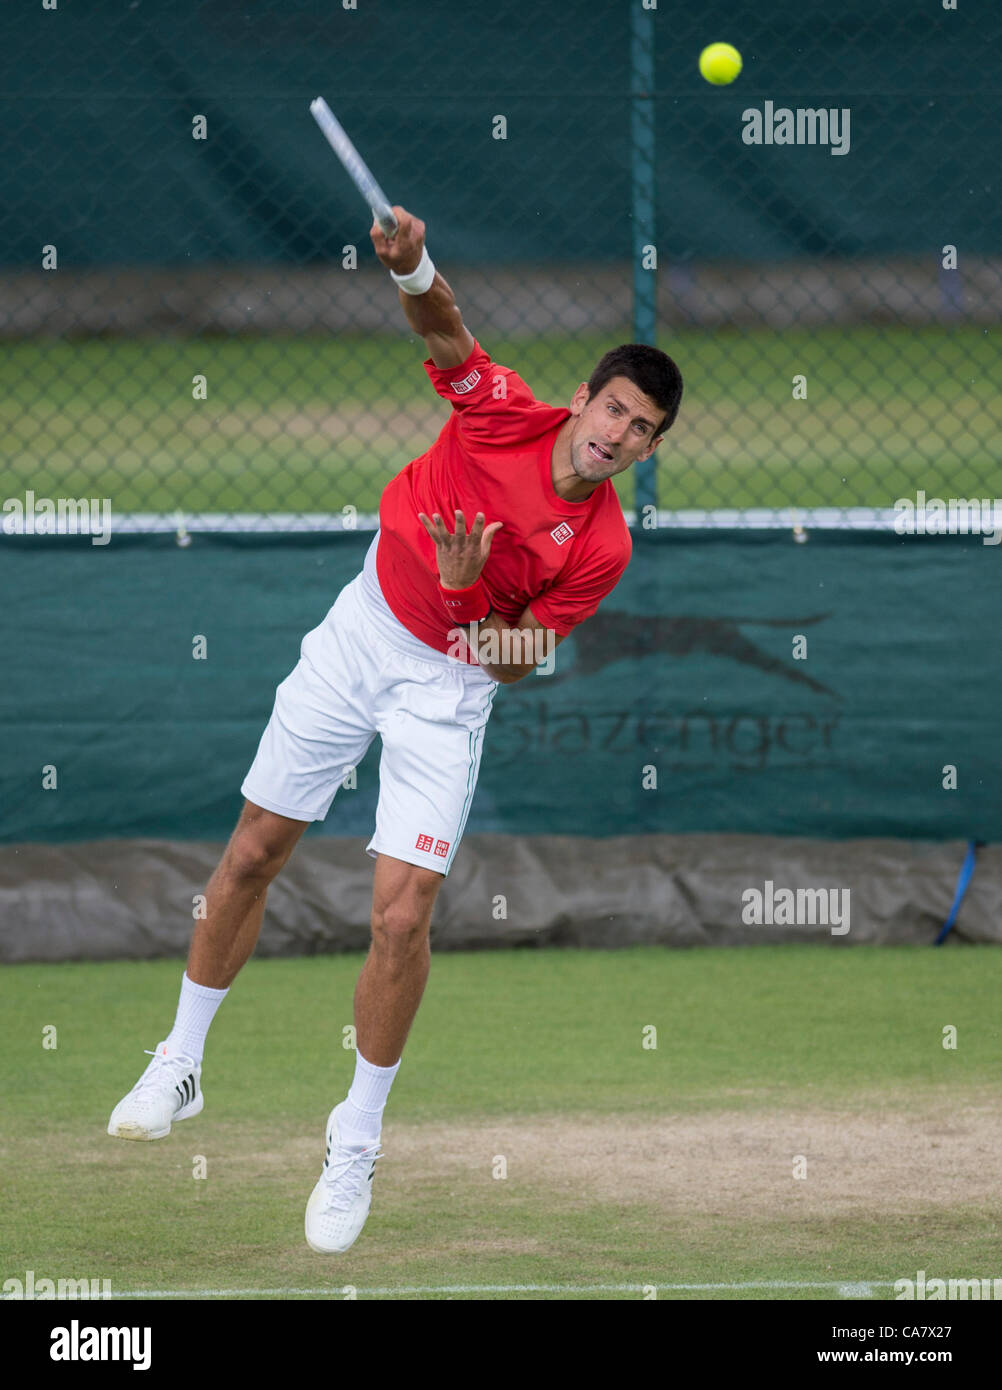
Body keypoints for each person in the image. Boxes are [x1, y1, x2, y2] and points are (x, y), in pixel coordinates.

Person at [107, 207, 684, 1254]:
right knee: (251, 852)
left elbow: (516, 658)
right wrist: (410, 263)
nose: (617, 435)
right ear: (584, 397)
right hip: (361, 630)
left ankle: (356, 1137)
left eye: (641, 429)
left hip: (446, 691)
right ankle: (179, 1061)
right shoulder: (503, 409)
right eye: (613, 408)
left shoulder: (600, 546)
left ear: (649, 449)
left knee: (400, 919)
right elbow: (446, 331)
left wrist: (468, 598)